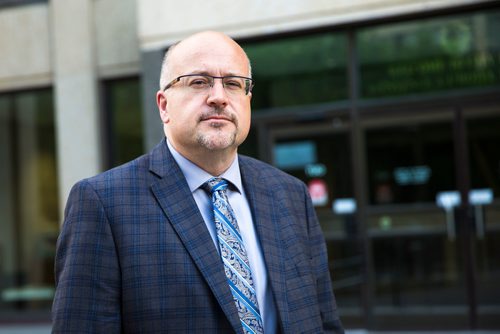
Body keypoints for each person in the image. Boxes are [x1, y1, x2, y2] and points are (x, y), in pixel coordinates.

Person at [52, 30, 344, 333]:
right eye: (199, 82)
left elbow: (324, 321)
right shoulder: (103, 203)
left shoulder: (289, 194)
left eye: (233, 84)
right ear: (164, 105)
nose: (218, 97)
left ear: (248, 102)